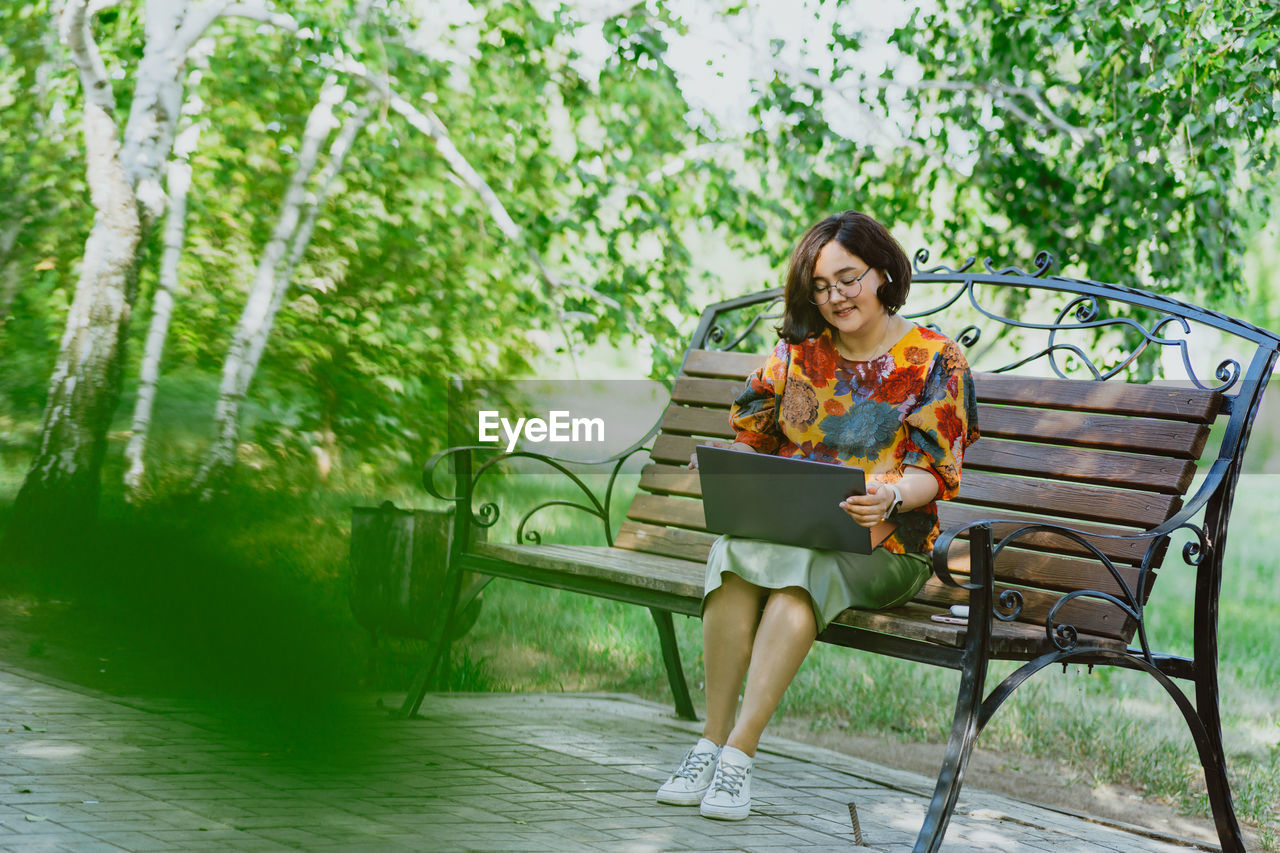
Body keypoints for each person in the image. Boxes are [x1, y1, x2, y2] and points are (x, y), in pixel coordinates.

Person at [656, 210, 979, 821]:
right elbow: (755, 433)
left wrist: (888, 496)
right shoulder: (798, 353)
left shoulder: (938, 360)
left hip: (887, 547)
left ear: (883, 271)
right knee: (731, 554)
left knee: (800, 569)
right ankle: (709, 743)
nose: (836, 297)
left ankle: (738, 759)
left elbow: (934, 472)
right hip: (791, 532)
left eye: (848, 279)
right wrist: (732, 462)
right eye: (822, 287)